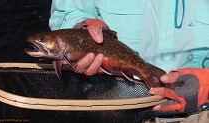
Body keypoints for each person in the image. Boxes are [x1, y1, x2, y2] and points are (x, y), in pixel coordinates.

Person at [49, 0, 209, 113]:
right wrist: (80, 28)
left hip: (201, 113)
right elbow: (68, 11)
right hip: (111, 109)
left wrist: (207, 84)